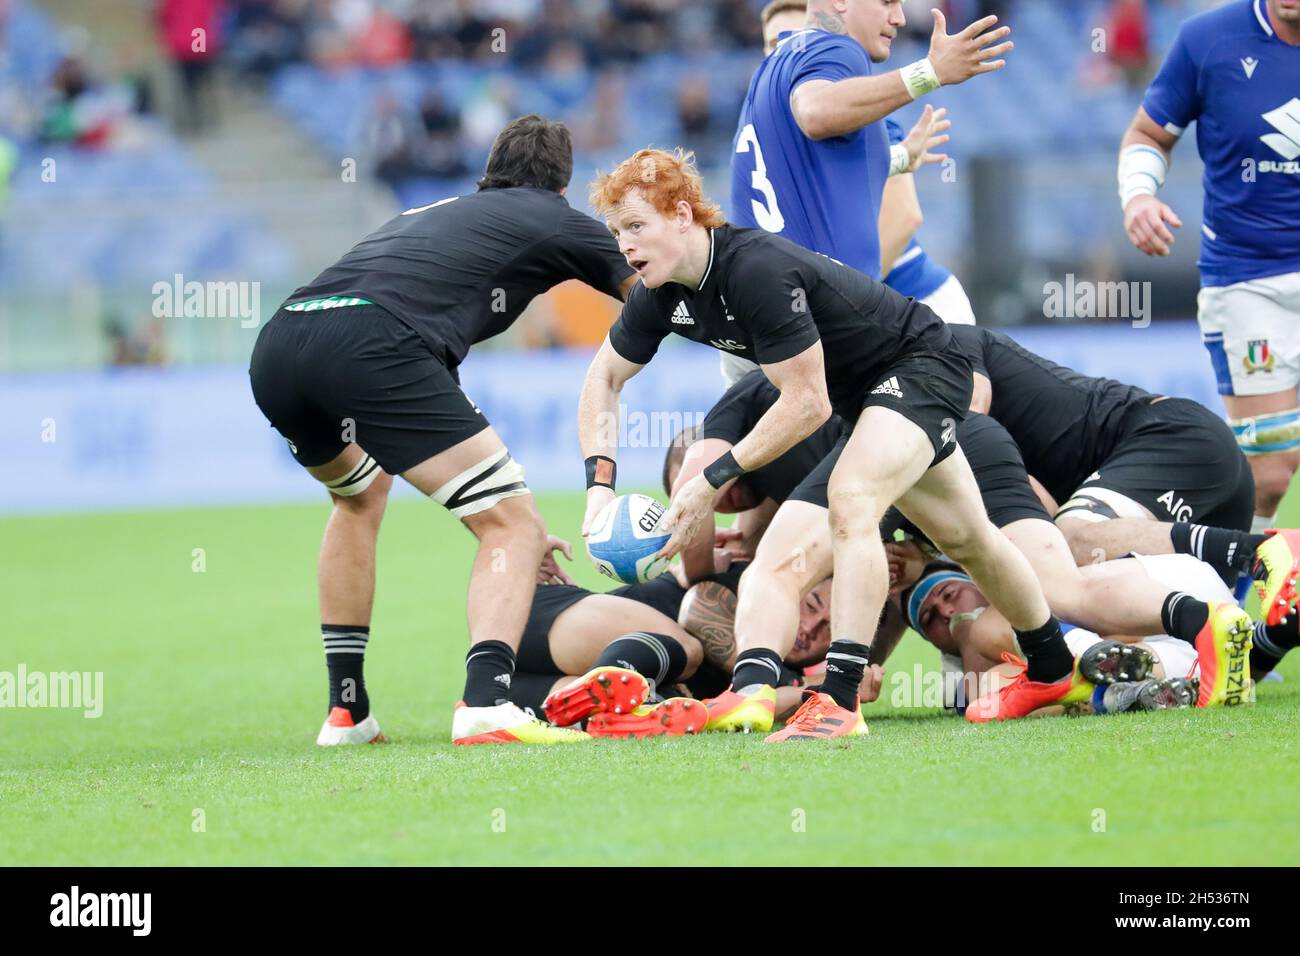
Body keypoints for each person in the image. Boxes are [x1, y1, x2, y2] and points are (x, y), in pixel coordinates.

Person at [579, 147, 1079, 742]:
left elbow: (807, 403)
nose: (625, 245)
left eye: (637, 226)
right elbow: (602, 379)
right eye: (616, 232)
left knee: (853, 501)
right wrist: (598, 489)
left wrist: (711, 482)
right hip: (868, 399)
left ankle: (838, 702)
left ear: (683, 215)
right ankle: (1052, 668)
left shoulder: (753, 270)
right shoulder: (660, 296)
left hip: (922, 365)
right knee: (968, 538)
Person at [248, 116, 636, 747]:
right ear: (562, 187)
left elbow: (422, 373)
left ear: (490, 173)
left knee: (358, 496)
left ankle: (347, 712)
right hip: (372, 343)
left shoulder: (428, 215)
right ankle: (486, 705)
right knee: (511, 522)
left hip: (284, 339)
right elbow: (655, 287)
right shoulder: (554, 218)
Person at [674, 371, 1256, 717]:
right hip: (948, 438)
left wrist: (688, 571)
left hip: (912, 444)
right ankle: (1200, 624)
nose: (718, 499)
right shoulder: (778, 492)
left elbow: (694, 480)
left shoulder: (741, 414)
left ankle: (749, 697)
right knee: (1050, 589)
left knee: (776, 573)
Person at [951, 323, 1300, 626]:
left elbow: (973, 426)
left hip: (1175, 440)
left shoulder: (949, 345)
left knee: (1069, 541)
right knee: (1203, 639)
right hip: (1166, 500)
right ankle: (1275, 637)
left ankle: (1259, 549)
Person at [1117, 0, 1300, 540]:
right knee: (1268, 473)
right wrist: (1138, 197)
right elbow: (1149, 134)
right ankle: (1232, 599)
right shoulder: (1208, 39)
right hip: (1248, 283)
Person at [721, 0, 971, 386]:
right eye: (888, 1)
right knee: (955, 417)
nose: (900, 17)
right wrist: (930, 72)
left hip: (761, 315)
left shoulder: (768, 74)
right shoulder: (838, 49)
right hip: (819, 322)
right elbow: (816, 113)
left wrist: (902, 157)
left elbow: (822, 168)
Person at [903, 556, 1208, 718]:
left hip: (1180, 605)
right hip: (1182, 666)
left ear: (980, 584)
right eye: (930, 620)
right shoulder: (956, 682)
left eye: (949, 594)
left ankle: (1093, 658)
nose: (946, 612)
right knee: (991, 689)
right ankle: (1120, 698)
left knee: (989, 626)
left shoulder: (1030, 576)